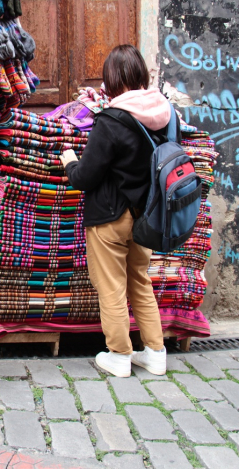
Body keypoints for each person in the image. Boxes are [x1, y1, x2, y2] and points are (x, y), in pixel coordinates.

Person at [60, 45, 176, 378]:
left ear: (110, 81)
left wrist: (70, 162)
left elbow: (85, 177)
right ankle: (155, 353)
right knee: (139, 281)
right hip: (146, 215)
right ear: (141, 75)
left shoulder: (111, 120)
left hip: (110, 217)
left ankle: (120, 354)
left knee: (111, 286)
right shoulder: (165, 114)